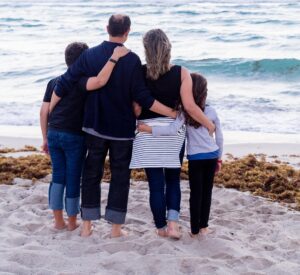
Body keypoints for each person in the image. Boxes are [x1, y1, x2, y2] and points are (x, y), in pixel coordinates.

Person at [52, 15, 177, 238]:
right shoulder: (132, 60)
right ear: (127, 31)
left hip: (94, 126)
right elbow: (142, 97)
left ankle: (87, 226)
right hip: (121, 130)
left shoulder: (90, 55)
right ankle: (115, 229)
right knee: (120, 177)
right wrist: (172, 113)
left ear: (107, 28)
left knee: (91, 174)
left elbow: (66, 81)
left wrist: (51, 111)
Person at [129, 29, 215, 239]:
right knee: (173, 180)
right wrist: (209, 125)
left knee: (156, 185)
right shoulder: (181, 72)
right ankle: (173, 225)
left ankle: (160, 228)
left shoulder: (139, 72)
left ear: (146, 50)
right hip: (173, 133)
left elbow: (137, 110)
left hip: (147, 134)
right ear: (168, 48)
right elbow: (190, 107)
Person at [40, 42, 130, 231]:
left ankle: (58, 221)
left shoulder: (54, 81)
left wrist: (45, 138)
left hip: (54, 133)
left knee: (58, 177)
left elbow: (44, 111)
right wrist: (114, 58)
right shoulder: (82, 82)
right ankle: (72, 222)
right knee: (73, 179)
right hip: (74, 137)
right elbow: (100, 81)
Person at [138, 73, 223, 237]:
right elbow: (219, 137)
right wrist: (219, 156)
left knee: (195, 194)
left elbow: (170, 130)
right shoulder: (211, 111)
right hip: (212, 156)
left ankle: (194, 230)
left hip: (195, 159)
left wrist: (148, 129)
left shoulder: (184, 113)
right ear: (204, 93)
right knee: (207, 193)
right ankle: (203, 227)